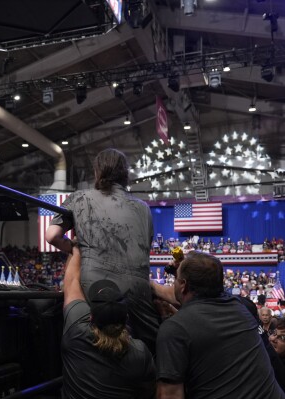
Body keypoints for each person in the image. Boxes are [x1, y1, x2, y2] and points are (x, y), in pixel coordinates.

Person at [45, 148, 160, 352]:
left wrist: (73, 247)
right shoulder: (143, 207)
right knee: (145, 349)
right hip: (139, 292)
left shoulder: (79, 198)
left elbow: (51, 235)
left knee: (96, 347)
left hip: (97, 288)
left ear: (98, 172)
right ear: (125, 174)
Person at [155, 252, 285, 399]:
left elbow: (169, 395)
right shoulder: (241, 308)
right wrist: (186, 272)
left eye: (176, 280)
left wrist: (151, 286)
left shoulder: (174, 329)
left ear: (183, 285)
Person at [61, 245, 155, 399]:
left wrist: (76, 248)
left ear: (90, 317)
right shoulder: (140, 352)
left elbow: (71, 283)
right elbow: (149, 392)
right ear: (126, 319)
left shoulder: (76, 335)